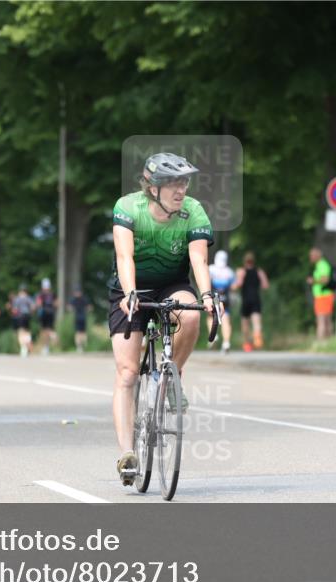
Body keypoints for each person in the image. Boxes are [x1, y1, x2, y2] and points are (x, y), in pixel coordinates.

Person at [109, 152, 219, 485]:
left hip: (172, 283)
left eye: (183, 182)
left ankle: (173, 378)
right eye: (172, 182)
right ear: (152, 187)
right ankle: (127, 453)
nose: (180, 189)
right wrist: (130, 293)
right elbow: (124, 256)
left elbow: (198, 259)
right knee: (128, 372)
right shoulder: (128, 208)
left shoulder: (193, 211)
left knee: (190, 317)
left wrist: (208, 296)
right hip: (132, 287)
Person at [232, 251, 269, 352]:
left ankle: (247, 344)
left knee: (245, 323)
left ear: (245, 261)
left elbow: (238, 284)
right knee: (256, 321)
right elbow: (265, 285)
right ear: (253, 261)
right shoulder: (259, 271)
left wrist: (232, 286)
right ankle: (257, 337)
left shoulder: (241, 271)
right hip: (256, 298)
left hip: (246, 299)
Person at [208, 250, 235, 353]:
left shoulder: (211, 269)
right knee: (226, 319)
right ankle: (226, 342)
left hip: (214, 296)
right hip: (225, 297)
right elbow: (234, 286)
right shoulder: (229, 271)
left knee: (211, 315)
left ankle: (214, 335)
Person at [307, 247, 334, 341]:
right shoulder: (319, 265)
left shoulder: (322, 265)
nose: (310, 257)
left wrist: (313, 281)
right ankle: (328, 341)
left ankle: (320, 342)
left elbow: (325, 279)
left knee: (321, 320)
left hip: (324, 296)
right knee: (326, 320)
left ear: (317, 255)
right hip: (322, 296)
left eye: (312, 255)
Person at [10, 285, 34, 357]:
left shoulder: (17, 299)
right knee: (27, 330)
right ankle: (28, 341)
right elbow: (33, 307)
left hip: (20, 316)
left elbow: (14, 310)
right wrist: (30, 312)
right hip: (27, 316)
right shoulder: (28, 298)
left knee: (20, 332)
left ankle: (24, 347)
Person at [35, 278, 58, 355]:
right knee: (50, 329)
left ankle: (46, 347)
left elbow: (39, 304)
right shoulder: (53, 294)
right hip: (51, 313)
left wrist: (37, 307)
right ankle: (53, 337)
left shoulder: (41, 294)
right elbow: (57, 303)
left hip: (44, 313)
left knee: (44, 331)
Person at [69, 287, 90, 353]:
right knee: (80, 332)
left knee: (80, 333)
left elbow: (69, 307)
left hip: (80, 317)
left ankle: (80, 347)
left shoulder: (75, 299)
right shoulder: (83, 299)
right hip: (81, 317)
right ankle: (81, 347)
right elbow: (89, 307)